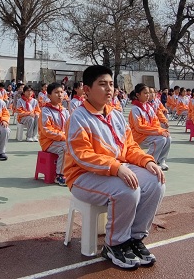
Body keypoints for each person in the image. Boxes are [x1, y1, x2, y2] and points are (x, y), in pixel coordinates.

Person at [65, 65, 165, 269]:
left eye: (111, 84)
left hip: (114, 170)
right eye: (102, 84)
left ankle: (135, 238)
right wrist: (116, 167)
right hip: (82, 176)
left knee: (156, 182)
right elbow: (82, 156)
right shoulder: (78, 117)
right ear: (87, 89)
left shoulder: (116, 114)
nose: (109, 89)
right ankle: (115, 244)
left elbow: (129, 147)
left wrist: (147, 161)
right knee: (128, 189)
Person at [128, 83, 171, 171]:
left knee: (168, 137)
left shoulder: (148, 107)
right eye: (145, 93)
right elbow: (139, 127)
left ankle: (161, 161)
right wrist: (158, 132)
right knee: (160, 139)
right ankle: (149, 162)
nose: (148, 95)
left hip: (148, 134)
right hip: (138, 136)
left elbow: (156, 122)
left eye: (149, 93)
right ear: (138, 95)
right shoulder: (135, 109)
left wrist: (161, 130)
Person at [38, 82, 70, 186]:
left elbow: (70, 126)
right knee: (65, 148)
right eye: (56, 92)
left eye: (61, 92)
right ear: (48, 96)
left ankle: (72, 172)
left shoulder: (65, 111)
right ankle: (59, 175)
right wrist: (63, 136)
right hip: (49, 142)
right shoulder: (46, 111)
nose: (60, 94)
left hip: (63, 140)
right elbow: (47, 130)